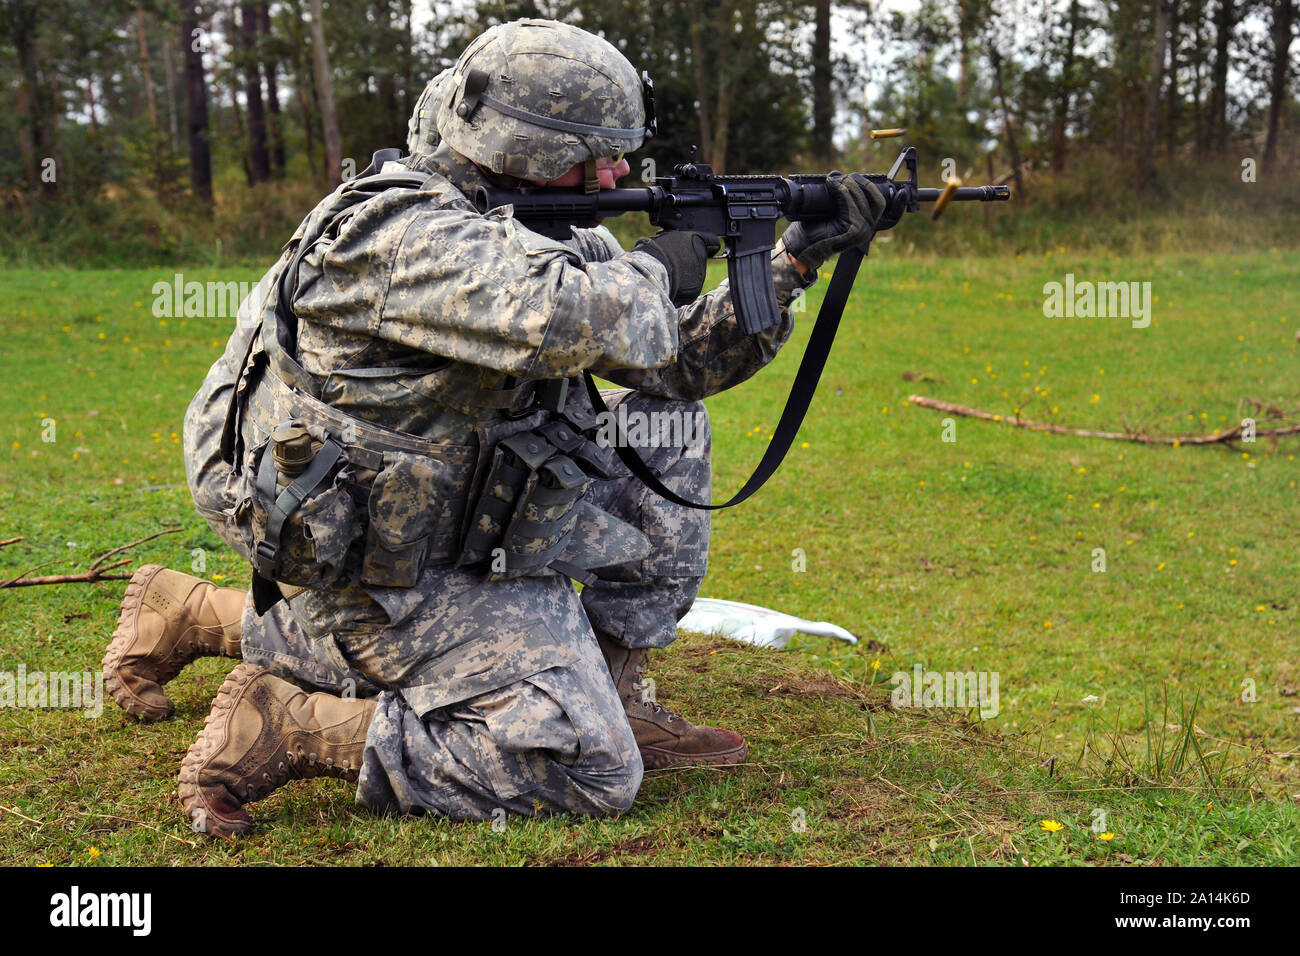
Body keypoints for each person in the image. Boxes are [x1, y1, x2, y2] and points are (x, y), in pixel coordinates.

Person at [103, 18, 883, 837]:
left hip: (446, 502)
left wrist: (793, 261)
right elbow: (571, 318)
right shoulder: (398, 232)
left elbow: (673, 361)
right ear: (533, 149)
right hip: (363, 546)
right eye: (600, 151)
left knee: (666, 426)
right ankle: (295, 721)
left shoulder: (533, 223)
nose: (618, 171)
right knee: (590, 767)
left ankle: (614, 686)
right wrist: (663, 261)